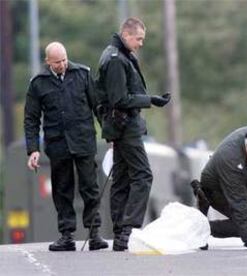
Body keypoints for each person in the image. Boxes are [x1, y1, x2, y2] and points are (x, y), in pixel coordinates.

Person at [95, 17, 170, 251]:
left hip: (122, 126)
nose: (140, 43)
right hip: (125, 127)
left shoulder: (116, 54)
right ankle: (127, 229)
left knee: (123, 178)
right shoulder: (117, 59)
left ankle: (120, 234)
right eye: (139, 39)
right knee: (143, 175)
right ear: (126, 35)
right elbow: (120, 99)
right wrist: (151, 100)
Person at [24, 42, 108, 251]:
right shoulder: (38, 84)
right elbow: (31, 119)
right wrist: (33, 149)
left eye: (64, 60)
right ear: (48, 62)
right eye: (57, 62)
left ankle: (94, 233)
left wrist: (110, 134)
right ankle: (66, 235)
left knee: (90, 187)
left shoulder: (82, 74)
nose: (62, 64)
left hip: (83, 140)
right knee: (62, 190)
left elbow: (97, 106)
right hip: (57, 144)